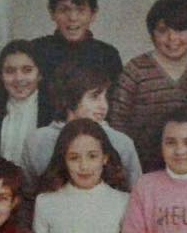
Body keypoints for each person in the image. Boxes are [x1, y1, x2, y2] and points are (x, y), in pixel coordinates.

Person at [108, 0, 187, 172]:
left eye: (180, 30)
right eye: (163, 30)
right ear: (152, 33)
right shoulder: (135, 70)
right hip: (141, 168)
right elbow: (117, 122)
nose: (172, 38)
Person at [21, 62, 142, 193]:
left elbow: (137, 196)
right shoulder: (37, 141)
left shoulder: (121, 142)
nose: (103, 105)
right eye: (94, 96)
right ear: (70, 97)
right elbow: (27, 194)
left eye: (106, 97)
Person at [31, 0, 123, 128]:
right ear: (51, 12)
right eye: (64, 9)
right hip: (45, 139)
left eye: (80, 10)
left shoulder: (108, 55)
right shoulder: (36, 51)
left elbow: (115, 108)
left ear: (93, 14)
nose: (72, 18)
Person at [0, 39, 50, 164]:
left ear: (40, 74)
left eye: (27, 70)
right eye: (10, 71)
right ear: (1, 76)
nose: (18, 78)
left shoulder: (54, 113)